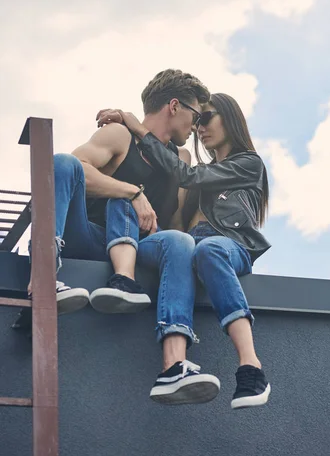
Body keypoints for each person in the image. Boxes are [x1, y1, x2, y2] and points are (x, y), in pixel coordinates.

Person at [97, 93, 271, 409]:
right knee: (189, 246)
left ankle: (251, 367)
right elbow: (178, 224)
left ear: (230, 119)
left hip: (228, 245)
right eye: (197, 120)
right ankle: (174, 367)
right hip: (194, 248)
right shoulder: (200, 173)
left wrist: (137, 127)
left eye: (206, 118)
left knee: (210, 250)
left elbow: (187, 175)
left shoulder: (247, 163)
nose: (199, 127)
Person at [26, 69, 211, 322]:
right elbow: (70, 173)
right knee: (62, 162)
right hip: (90, 238)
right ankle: (44, 277)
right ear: (175, 106)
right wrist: (132, 192)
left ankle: (161, 319)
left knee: (178, 240)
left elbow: (176, 223)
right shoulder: (120, 136)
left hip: (143, 248)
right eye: (196, 115)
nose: (196, 126)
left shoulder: (181, 160)